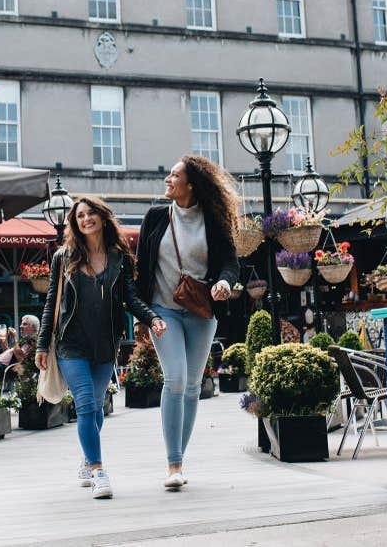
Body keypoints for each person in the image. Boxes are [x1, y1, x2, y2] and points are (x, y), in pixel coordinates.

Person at [36, 197, 166, 499]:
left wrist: (152, 317)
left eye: (91, 213)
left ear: (102, 217)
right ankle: (98, 471)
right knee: (84, 404)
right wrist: (43, 344)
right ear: (74, 223)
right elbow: (50, 302)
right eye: (80, 215)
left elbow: (130, 299)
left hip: (106, 344)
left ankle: (86, 456)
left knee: (95, 409)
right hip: (71, 344)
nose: (86, 219)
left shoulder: (119, 257)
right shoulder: (63, 257)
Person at [134, 155, 239, 490]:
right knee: (175, 380)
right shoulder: (154, 217)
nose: (167, 179)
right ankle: (173, 463)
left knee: (193, 386)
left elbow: (229, 264)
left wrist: (224, 283)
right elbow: (141, 269)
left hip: (201, 311)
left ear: (190, 185)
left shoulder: (213, 219)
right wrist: (142, 315)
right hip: (163, 312)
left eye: (174, 175)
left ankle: (181, 456)